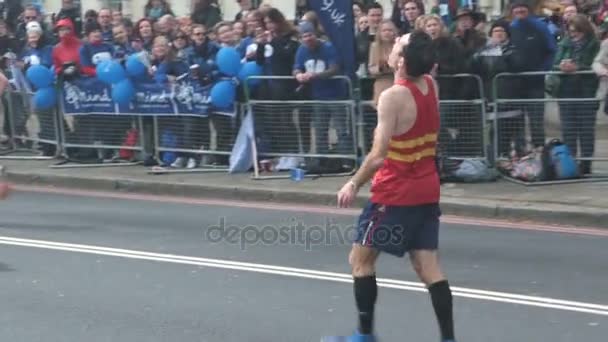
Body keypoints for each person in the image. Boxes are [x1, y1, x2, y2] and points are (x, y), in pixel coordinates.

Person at [330, 31, 456, 342]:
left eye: (400, 41)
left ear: (400, 60)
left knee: (360, 261)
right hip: (427, 189)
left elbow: (377, 156)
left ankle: (364, 336)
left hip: (395, 193)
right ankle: (449, 339)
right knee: (429, 268)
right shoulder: (430, 86)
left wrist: (353, 183)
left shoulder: (392, 97)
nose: (395, 39)